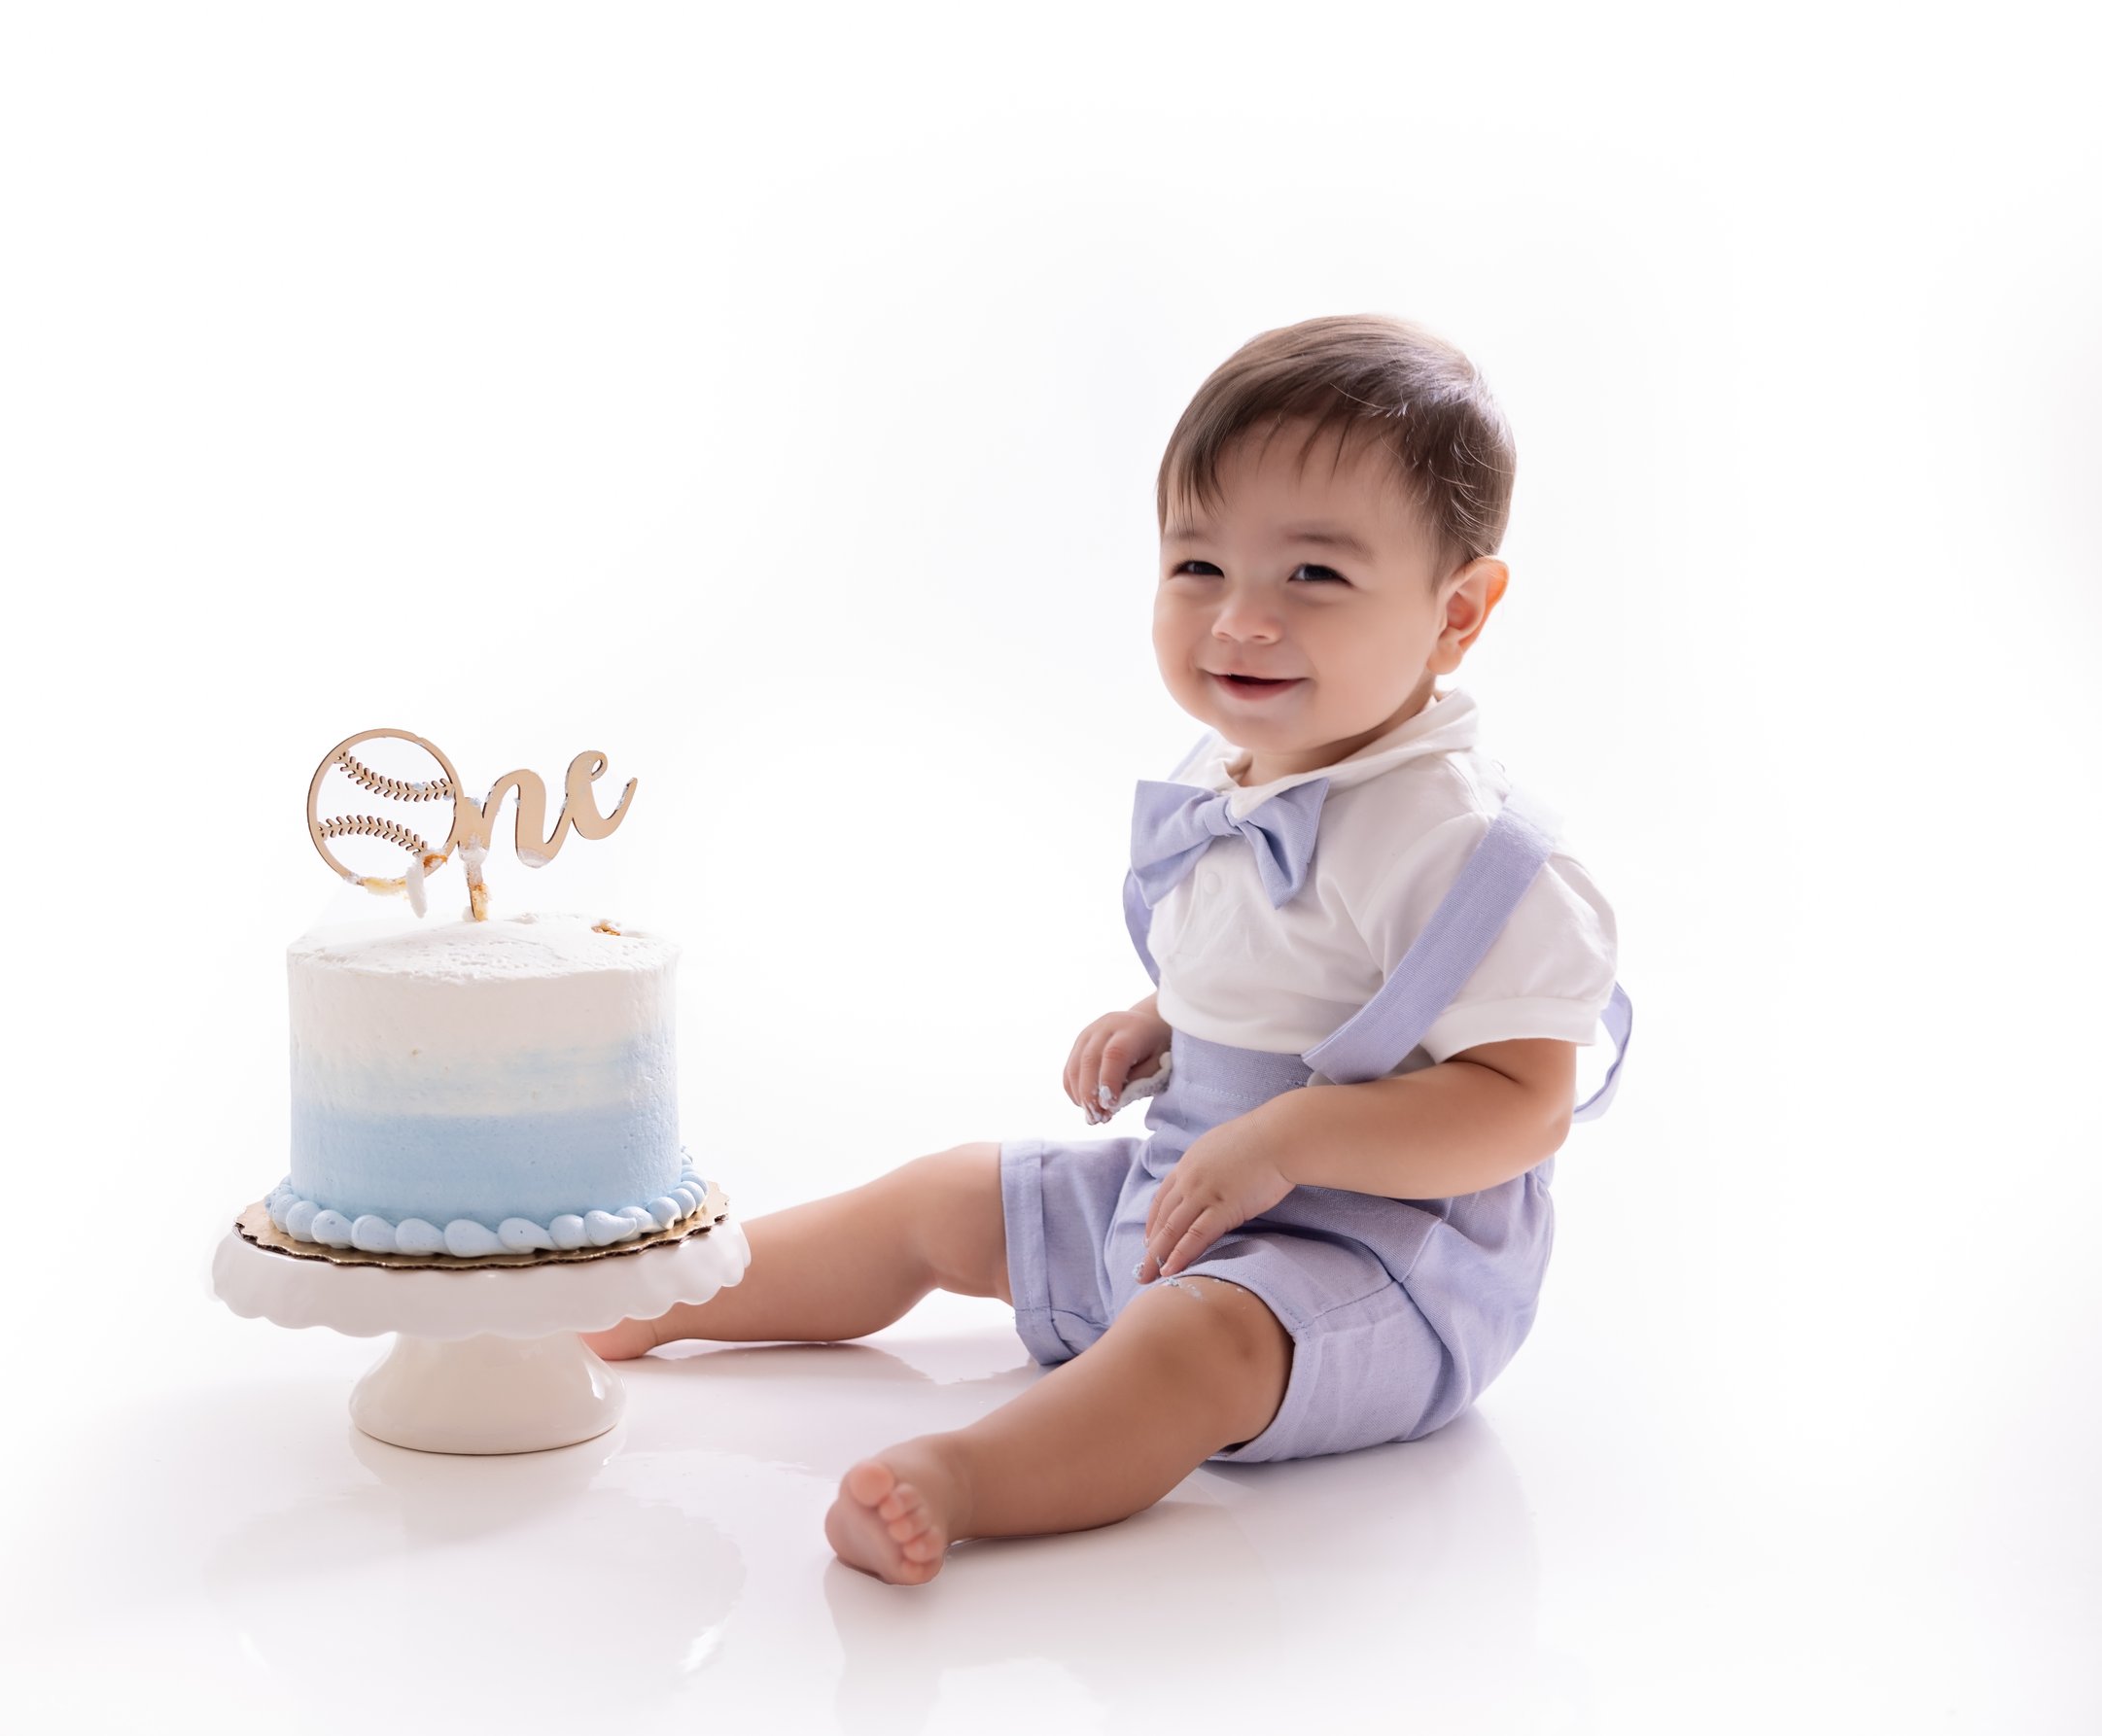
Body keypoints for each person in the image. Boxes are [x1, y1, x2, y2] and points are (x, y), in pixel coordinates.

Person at [584, 314, 1632, 1585]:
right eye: (1198, 565)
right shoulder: (1242, 772)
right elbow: (1293, 961)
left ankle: (966, 1476)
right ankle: (675, 1295)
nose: (1240, 620)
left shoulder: (1464, 844)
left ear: (1457, 611)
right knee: (946, 1195)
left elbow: (1523, 1108)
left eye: (1313, 576)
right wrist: (1167, 1018)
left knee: (1194, 1345)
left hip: (1380, 1255)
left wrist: (1289, 1137)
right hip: (1194, 1184)